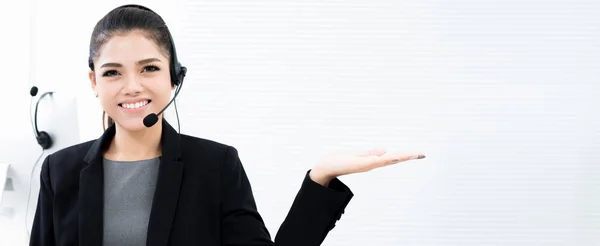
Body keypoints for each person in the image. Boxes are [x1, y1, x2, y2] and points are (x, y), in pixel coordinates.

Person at [29, 4, 425, 246]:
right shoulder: (59, 172)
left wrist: (319, 178)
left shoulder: (214, 166)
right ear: (94, 83)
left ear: (174, 76)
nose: (132, 86)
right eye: (113, 72)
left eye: (149, 68)